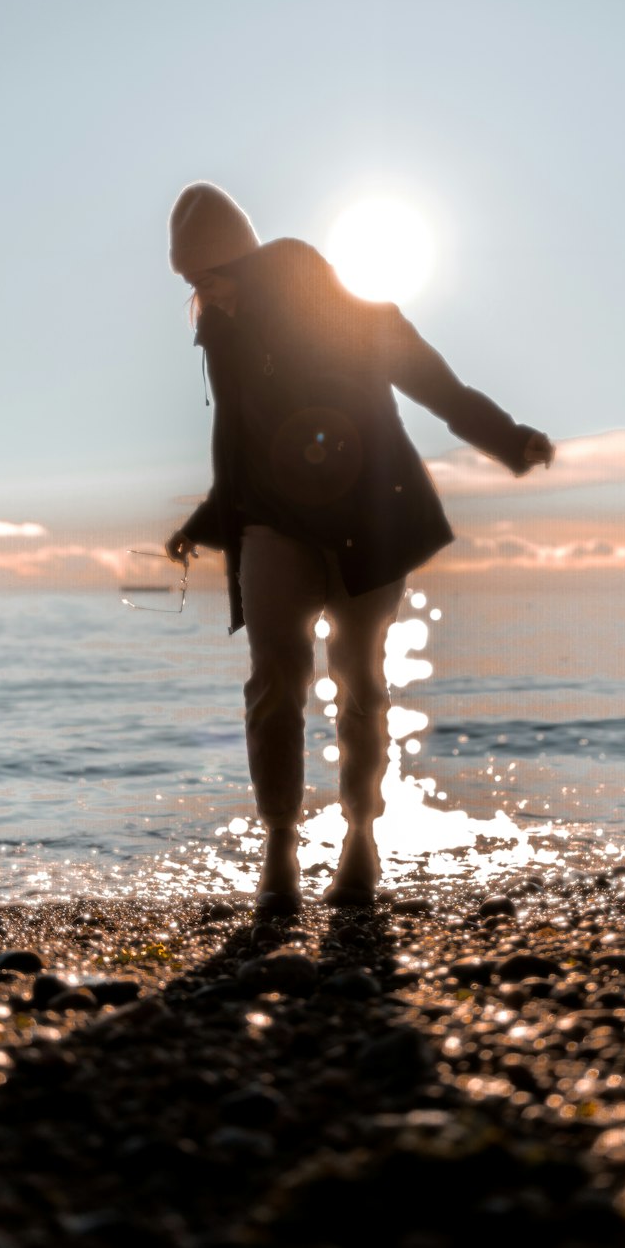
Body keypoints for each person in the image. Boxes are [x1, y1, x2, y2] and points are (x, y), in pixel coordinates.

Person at [165, 182, 553, 913]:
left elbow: (428, 377)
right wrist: (209, 522)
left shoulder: (335, 305)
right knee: (273, 682)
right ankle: (279, 849)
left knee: (360, 684)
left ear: (245, 264)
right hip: (274, 527)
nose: (202, 295)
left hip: (371, 522)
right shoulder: (219, 328)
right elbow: (241, 443)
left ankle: (359, 841)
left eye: (209, 279)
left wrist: (505, 437)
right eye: (190, 284)